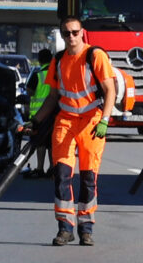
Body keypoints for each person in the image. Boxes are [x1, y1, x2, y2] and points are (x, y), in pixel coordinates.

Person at [29, 17, 118, 246]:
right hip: (66, 121)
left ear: (82, 33)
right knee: (61, 175)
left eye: (74, 32)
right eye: (66, 33)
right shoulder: (58, 60)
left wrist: (105, 120)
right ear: (62, 35)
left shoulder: (95, 55)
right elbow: (52, 97)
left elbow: (110, 90)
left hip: (91, 121)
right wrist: (35, 121)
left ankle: (86, 229)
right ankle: (65, 228)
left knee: (88, 177)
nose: (71, 37)